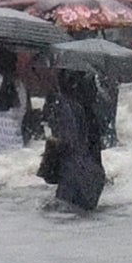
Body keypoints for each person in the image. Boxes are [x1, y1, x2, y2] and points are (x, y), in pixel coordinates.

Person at [38, 69, 106, 210]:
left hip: (73, 176)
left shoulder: (63, 105)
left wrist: (51, 143)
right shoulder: (89, 111)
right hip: (93, 176)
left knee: (63, 217)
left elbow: (67, 142)